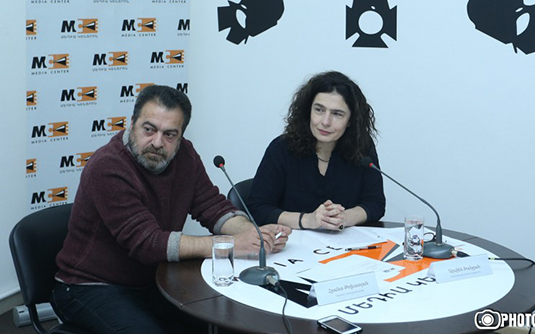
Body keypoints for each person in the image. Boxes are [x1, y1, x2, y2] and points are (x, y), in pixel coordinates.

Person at [51, 85, 291, 334]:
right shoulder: (107, 167)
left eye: (169, 134)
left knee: (229, 321)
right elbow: (148, 244)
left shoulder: (184, 154)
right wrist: (229, 244)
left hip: (153, 282)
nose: (157, 142)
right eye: (149, 129)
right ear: (132, 123)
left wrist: (252, 235)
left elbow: (212, 206)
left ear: (181, 136)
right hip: (89, 286)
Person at [247, 71, 385, 231]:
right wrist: (307, 220)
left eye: (337, 114)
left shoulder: (362, 148)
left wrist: (343, 217)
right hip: (289, 247)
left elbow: (375, 204)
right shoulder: (282, 148)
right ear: (308, 111)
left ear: (350, 121)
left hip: (344, 248)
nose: (325, 122)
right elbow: (257, 208)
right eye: (319, 110)